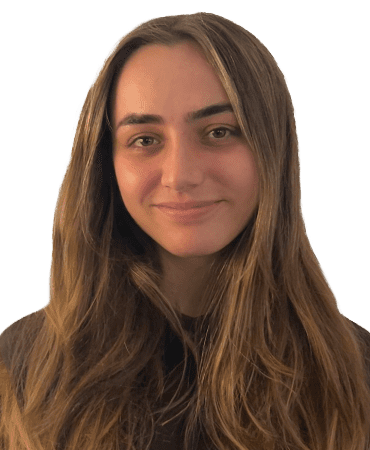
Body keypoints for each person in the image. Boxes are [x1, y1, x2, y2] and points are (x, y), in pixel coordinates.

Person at [1, 12, 369, 450]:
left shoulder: (356, 370)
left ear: (274, 150)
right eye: (145, 139)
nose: (180, 175)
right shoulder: (21, 367)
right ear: (106, 165)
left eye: (219, 131)